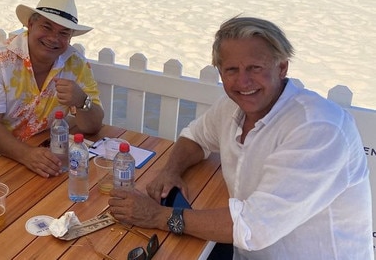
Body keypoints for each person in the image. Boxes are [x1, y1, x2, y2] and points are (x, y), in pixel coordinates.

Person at [109, 16, 373, 259]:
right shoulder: (233, 107)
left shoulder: (319, 128)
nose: (243, 82)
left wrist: (158, 215)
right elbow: (195, 137)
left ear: (282, 68)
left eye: (255, 68)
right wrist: (170, 171)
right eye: (231, 69)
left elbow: (253, 226)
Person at [0, 0, 104, 178]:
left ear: (71, 37)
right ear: (30, 25)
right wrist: (26, 154)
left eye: (63, 33)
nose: (53, 38)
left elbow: (93, 127)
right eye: (47, 27)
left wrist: (82, 101)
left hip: (47, 157)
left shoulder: (76, 63)